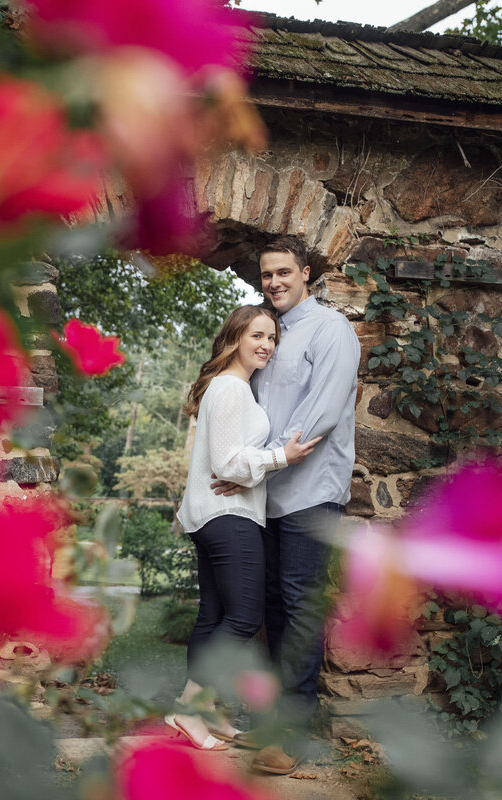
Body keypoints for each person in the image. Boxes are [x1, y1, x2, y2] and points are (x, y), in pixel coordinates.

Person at [212, 236, 360, 775]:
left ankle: (294, 735)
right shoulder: (269, 335)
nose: (273, 282)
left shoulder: (332, 331)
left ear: (306, 272)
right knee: (272, 605)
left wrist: (267, 460)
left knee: (299, 607)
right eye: (267, 274)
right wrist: (247, 469)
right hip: (267, 494)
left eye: (283, 272)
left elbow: (320, 413)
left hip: (311, 490)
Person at [165, 304, 320, 752]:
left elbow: (229, 460)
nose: (266, 345)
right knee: (244, 616)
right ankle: (189, 709)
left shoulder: (233, 388)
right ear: (234, 337)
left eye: (272, 338)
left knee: (213, 615)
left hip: (212, 514)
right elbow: (226, 462)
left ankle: (206, 712)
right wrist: (281, 458)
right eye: (257, 335)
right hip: (228, 517)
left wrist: (263, 463)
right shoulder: (231, 389)